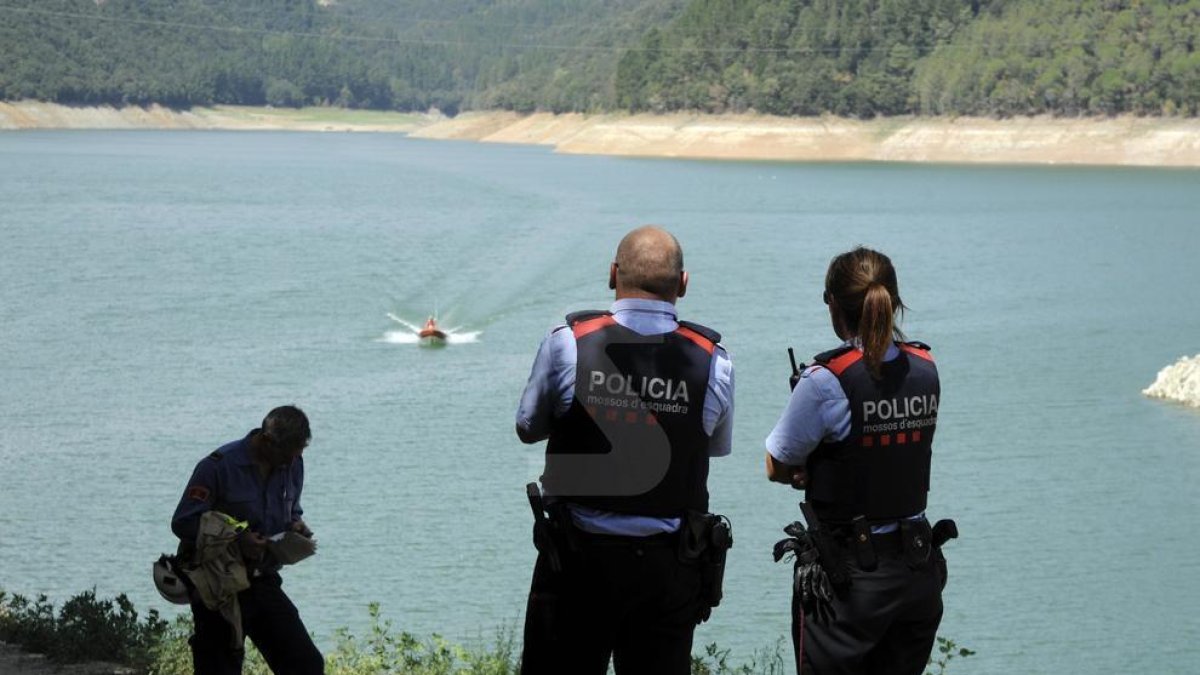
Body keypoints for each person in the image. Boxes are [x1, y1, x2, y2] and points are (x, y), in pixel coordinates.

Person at [515, 225, 735, 675]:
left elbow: (527, 427)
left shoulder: (569, 341)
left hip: (578, 562)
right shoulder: (713, 357)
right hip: (669, 569)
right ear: (683, 284)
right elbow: (711, 445)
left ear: (612, 274)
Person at [765, 248, 948, 675]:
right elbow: (892, 450)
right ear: (893, 299)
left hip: (851, 581)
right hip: (917, 569)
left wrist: (810, 468)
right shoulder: (926, 367)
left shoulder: (826, 380)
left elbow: (776, 463)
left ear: (834, 304)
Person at [171, 405, 324, 675]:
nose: (290, 463)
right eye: (286, 455)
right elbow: (183, 521)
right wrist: (237, 539)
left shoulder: (292, 463)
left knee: (306, 664)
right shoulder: (217, 467)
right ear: (266, 440)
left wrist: (295, 527)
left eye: (296, 455)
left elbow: (291, 511)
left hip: (263, 581)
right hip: (218, 588)